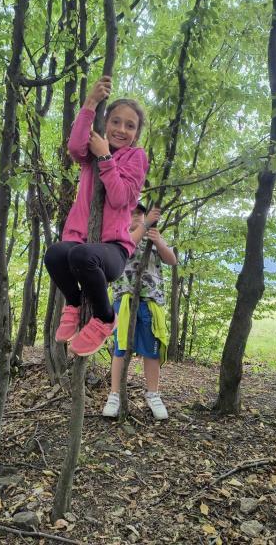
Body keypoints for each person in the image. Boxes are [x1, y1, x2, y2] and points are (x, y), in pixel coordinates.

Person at [44, 76, 149, 357]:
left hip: (113, 250)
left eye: (130, 125)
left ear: (136, 133)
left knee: (82, 256)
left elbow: (120, 197)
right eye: (115, 121)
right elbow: (75, 146)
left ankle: (104, 318)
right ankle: (74, 303)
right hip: (80, 240)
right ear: (106, 123)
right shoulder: (91, 152)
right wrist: (90, 103)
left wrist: (105, 158)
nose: (121, 129)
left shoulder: (136, 157)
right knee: (54, 254)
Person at [102, 204, 177, 420]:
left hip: (151, 301)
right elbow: (123, 251)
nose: (135, 217)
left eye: (140, 214)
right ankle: (114, 395)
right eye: (131, 213)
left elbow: (172, 260)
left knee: (152, 351)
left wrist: (159, 241)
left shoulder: (153, 237)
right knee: (120, 348)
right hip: (124, 301)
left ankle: (153, 394)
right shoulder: (119, 237)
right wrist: (142, 227)